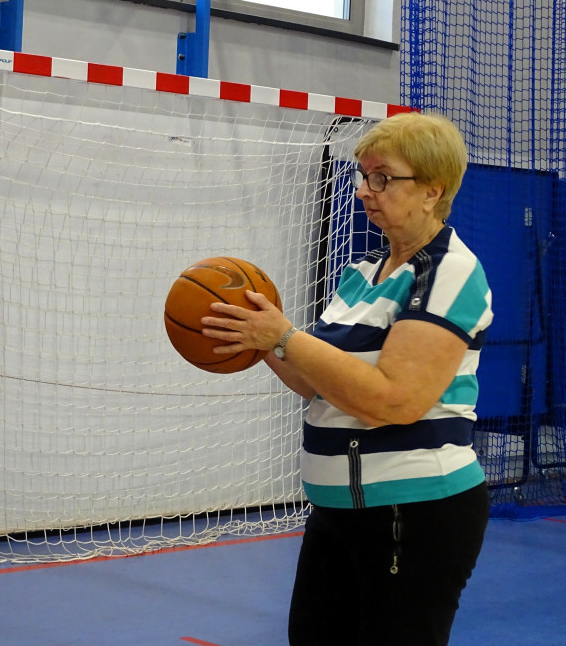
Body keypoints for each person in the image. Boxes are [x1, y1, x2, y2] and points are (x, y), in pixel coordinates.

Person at [202, 113, 492, 646]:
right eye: (363, 175)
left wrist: (285, 335)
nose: (364, 190)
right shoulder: (362, 272)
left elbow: (393, 401)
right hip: (338, 509)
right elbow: (318, 383)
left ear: (433, 190)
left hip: (414, 511)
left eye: (382, 177)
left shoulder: (449, 272)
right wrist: (261, 339)